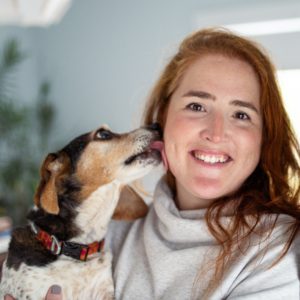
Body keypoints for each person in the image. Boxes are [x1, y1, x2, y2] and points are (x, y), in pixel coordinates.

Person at [5, 28, 300, 299]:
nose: (216, 132)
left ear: (264, 137)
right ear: (163, 116)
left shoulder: (280, 250)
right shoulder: (106, 238)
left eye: (241, 114)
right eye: (197, 106)